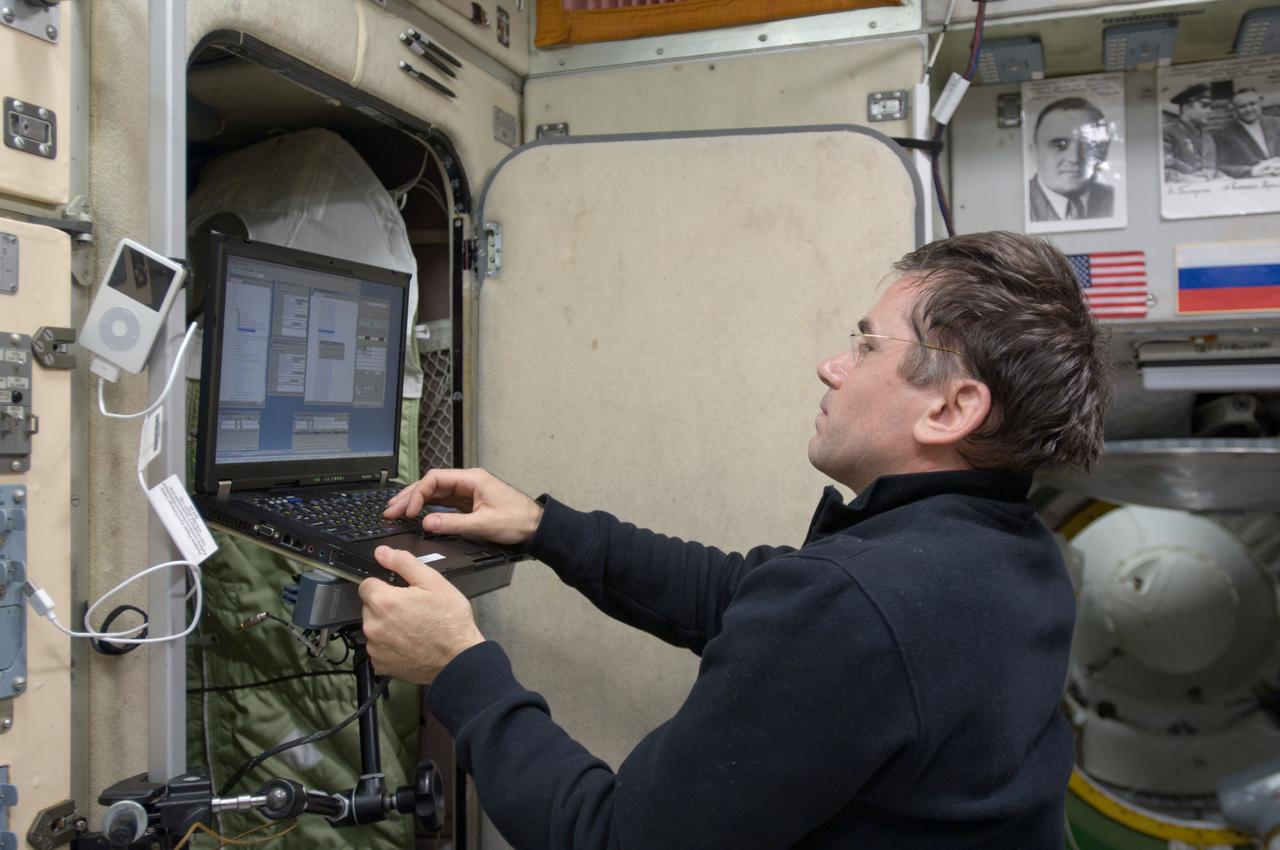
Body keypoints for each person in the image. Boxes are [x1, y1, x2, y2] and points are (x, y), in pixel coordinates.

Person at [358, 231, 1114, 850]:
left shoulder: (862, 604)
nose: (832, 367)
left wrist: (459, 667)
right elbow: (744, 594)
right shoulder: (1010, 550)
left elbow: (609, 841)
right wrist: (544, 527)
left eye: (865, 347)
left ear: (952, 410)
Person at [1027, 97, 1115, 222]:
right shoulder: (1016, 202)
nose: (1075, 158)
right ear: (1034, 152)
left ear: (1103, 151)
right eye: (1060, 144)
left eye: (1087, 145)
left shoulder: (1115, 199)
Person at [1215, 87, 1280, 179]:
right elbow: (1221, 166)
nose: (1249, 109)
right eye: (1242, 106)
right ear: (1233, 108)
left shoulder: (1277, 123)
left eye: (1252, 104)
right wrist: (1252, 171)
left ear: (1260, 102)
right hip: (1251, 183)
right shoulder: (1223, 134)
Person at [1164, 83, 1223, 181]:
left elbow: (1212, 169)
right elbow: (1161, 169)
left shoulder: (1208, 136)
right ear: (1187, 108)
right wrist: (1188, 178)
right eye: (1204, 106)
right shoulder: (1168, 132)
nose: (1209, 111)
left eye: (1210, 107)